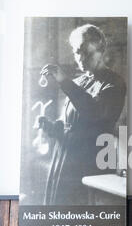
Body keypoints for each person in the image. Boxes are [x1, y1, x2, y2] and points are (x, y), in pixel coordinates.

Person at [38, 24, 126, 205]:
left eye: (87, 52)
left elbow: (95, 113)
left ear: (101, 50)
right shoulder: (79, 81)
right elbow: (69, 123)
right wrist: (52, 127)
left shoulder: (114, 83)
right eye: (78, 52)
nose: (81, 58)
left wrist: (64, 82)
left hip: (89, 161)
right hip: (64, 160)